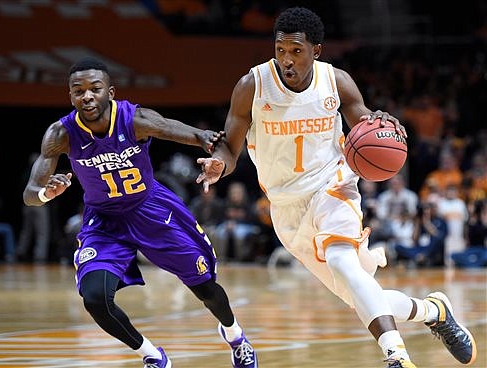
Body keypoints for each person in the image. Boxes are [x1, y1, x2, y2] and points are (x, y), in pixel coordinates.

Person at [197, 7, 476, 368]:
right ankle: (433, 310)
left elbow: (365, 122)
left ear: (316, 51)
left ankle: (397, 356)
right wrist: (220, 165)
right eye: (280, 50)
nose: (286, 60)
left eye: (296, 51)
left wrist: (381, 122)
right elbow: (231, 149)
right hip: (286, 207)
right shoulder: (252, 85)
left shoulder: (336, 81)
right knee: (357, 295)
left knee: (343, 261)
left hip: (334, 186)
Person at [22, 57, 257, 368]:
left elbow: (169, 128)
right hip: (104, 220)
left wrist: (205, 140)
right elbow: (29, 195)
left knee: (205, 288)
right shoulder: (60, 134)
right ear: (70, 96)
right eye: (78, 91)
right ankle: (152, 355)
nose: (87, 96)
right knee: (94, 298)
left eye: (95, 89)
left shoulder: (134, 119)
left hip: (150, 209)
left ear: (110, 92)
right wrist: (45, 193)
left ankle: (235, 336)